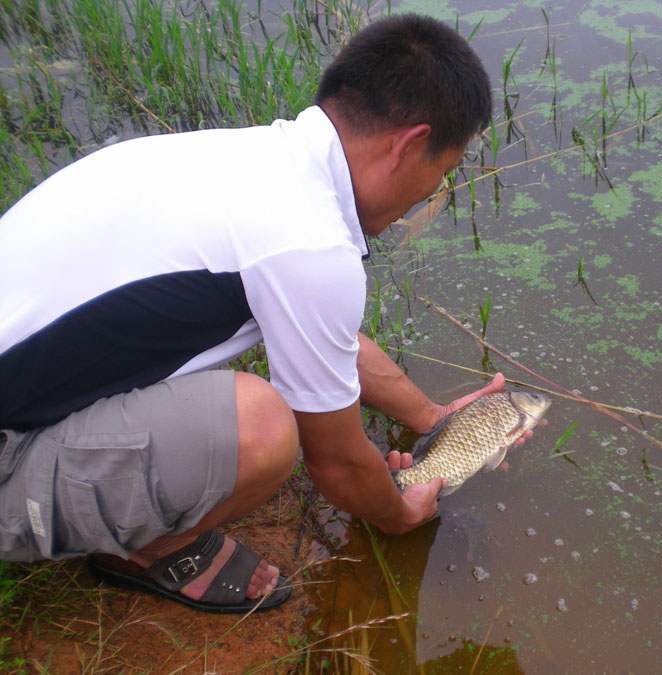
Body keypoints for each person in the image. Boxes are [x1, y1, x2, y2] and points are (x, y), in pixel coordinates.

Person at [0, 14, 500, 613]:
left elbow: (328, 339)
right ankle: (147, 548)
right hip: (8, 457)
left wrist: (432, 417)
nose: (430, 195)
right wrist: (399, 512)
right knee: (261, 430)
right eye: (441, 174)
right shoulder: (308, 244)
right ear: (409, 145)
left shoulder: (253, 164)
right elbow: (339, 466)